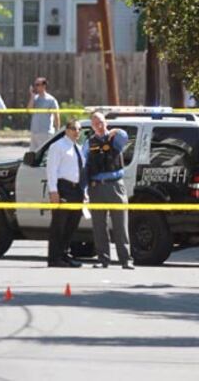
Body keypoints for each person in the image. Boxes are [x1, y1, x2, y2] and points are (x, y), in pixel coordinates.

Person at [83, 112, 134, 269]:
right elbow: (84, 166)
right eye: (96, 123)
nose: (99, 125)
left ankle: (126, 260)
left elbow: (125, 137)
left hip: (115, 186)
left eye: (102, 122)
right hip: (96, 186)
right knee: (99, 226)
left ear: (106, 123)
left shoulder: (115, 138)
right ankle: (103, 259)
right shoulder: (89, 143)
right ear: (92, 125)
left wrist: (116, 130)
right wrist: (84, 189)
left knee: (120, 225)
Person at [45, 119, 85, 268]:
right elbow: (51, 169)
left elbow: (80, 170)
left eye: (79, 129)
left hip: (77, 190)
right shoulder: (58, 146)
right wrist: (53, 191)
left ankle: (64, 254)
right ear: (67, 130)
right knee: (59, 224)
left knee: (71, 224)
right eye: (74, 129)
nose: (77, 132)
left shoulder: (78, 148)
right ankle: (54, 258)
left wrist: (84, 191)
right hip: (64, 188)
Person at [27, 77, 60, 151]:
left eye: (38, 84)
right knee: (33, 154)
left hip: (45, 132)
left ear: (44, 86)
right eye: (35, 84)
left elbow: (56, 116)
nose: (35, 87)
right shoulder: (35, 98)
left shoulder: (51, 100)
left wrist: (57, 131)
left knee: (44, 154)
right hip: (34, 131)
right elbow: (29, 110)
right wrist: (32, 97)